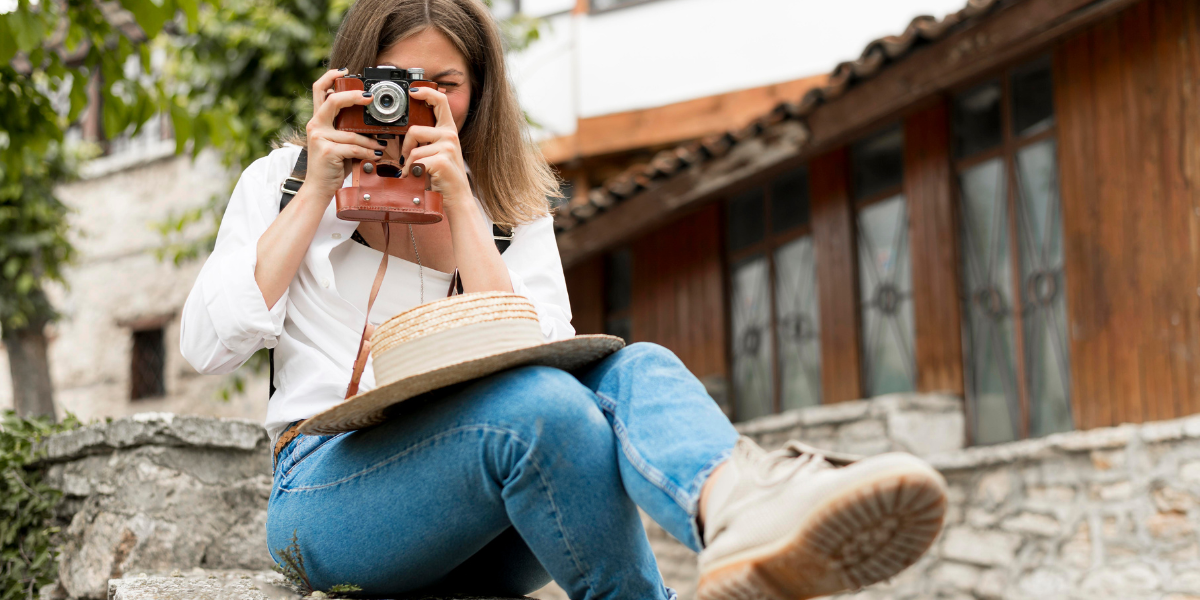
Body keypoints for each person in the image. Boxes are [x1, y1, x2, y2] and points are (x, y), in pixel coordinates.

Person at [179, 0, 948, 598]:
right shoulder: (279, 182)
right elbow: (206, 347)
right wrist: (316, 189)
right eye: (395, 84)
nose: (415, 104)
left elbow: (543, 356)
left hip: (491, 515)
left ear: (478, 90)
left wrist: (463, 207)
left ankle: (743, 511)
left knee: (630, 366)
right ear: (351, 83)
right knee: (546, 411)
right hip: (327, 497)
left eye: (444, 85)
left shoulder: (507, 207)